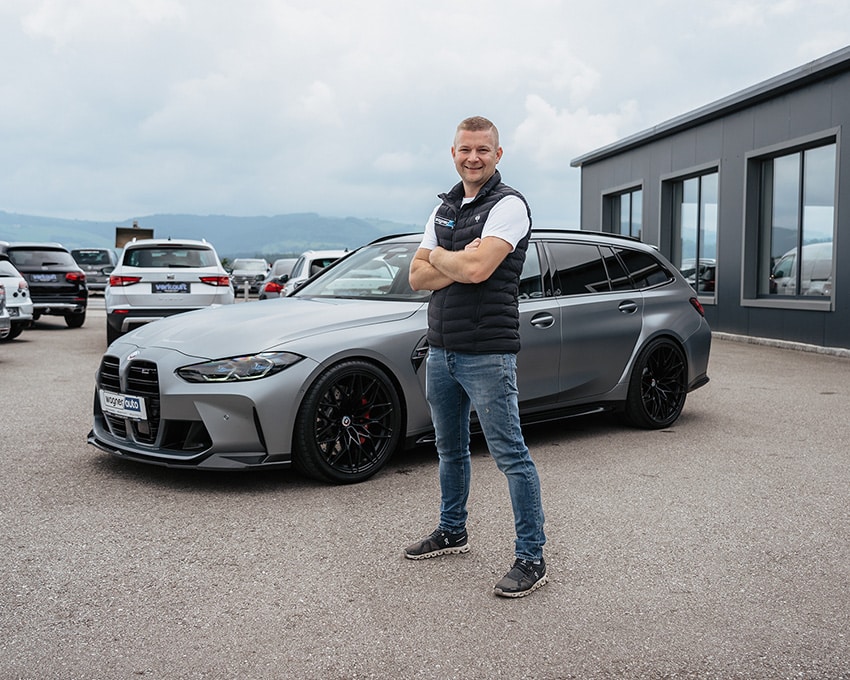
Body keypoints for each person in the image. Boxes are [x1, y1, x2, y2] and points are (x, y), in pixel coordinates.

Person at [404, 116, 547, 598]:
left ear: (498, 154)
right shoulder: (443, 208)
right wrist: (456, 259)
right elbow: (416, 277)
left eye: (483, 149)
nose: (473, 157)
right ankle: (452, 531)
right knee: (449, 450)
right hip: (442, 350)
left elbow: (481, 268)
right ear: (453, 153)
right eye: (465, 149)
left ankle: (531, 557)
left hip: (487, 352)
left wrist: (442, 257)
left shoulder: (509, 205)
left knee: (511, 456)